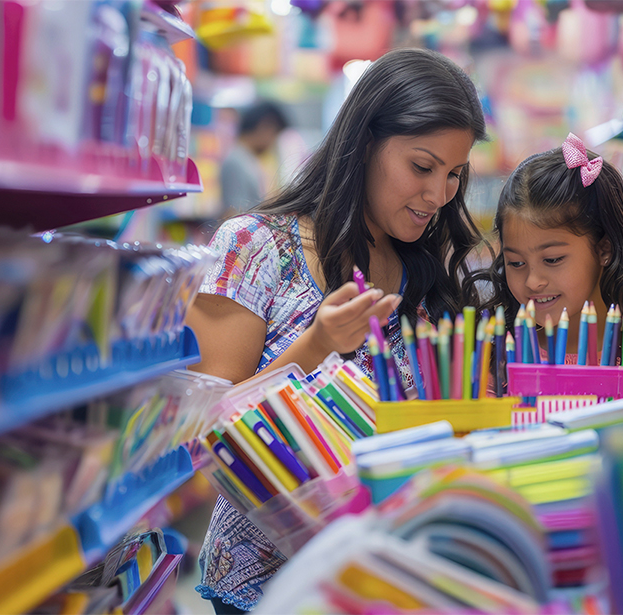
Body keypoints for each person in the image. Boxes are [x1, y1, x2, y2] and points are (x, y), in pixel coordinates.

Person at [185, 48, 488, 613]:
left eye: (454, 174)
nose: (438, 195)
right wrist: (316, 346)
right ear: (365, 141)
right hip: (262, 586)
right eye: (422, 167)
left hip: (386, 580)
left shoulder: (425, 272)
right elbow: (202, 434)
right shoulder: (254, 246)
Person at [469, 133, 623, 365]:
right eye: (515, 263)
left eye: (552, 260)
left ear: (604, 249)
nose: (533, 282)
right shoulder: (499, 358)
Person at [219, 99, 289, 215]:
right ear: (266, 126)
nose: (273, 143)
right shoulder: (236, 161)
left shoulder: (246, 159)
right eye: (275, 135)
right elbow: (232, 211)